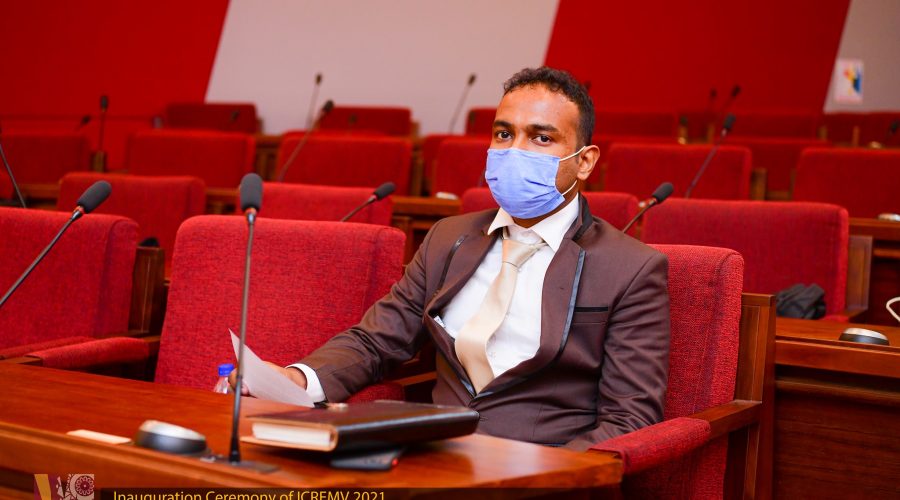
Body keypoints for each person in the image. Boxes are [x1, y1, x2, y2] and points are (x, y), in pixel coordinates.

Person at [237, 67, 670, 451]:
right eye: (504, 134)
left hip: (545, 472)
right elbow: (377, 341)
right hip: (435, 459)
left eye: (541, 138)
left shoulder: (629, 268)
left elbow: (629, 418)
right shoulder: (449, 238)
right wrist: (298, 379)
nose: (515, 151)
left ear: (585, 162)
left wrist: (548, 476)